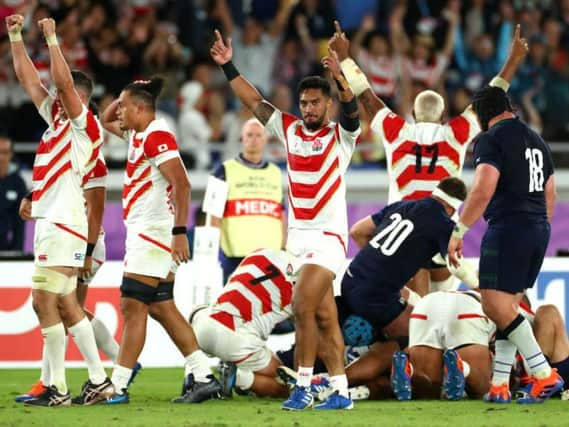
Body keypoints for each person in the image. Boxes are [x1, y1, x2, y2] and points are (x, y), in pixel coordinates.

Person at [210, 24, 360, 410]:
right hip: (298, 238)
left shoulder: (341, 136)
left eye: (315, 102)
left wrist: (341, 72)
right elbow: (253, 101)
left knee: (302, 307)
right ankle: (341, 391)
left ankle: (305, 385)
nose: (308, 108)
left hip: (328, 238)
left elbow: (354, 107)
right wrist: (229, 66)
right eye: (304, 102)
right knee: (325, 317)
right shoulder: (288, 128)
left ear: (327, 105)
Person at [330, 20, 526, 295]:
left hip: (403, 236)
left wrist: (346, 57)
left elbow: (366, 96)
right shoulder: (455, 134)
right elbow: (491, 97)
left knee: (415, 320)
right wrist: (513, 60)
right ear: (444, 117)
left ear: (412, 115)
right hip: (441, 238)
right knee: (440, 313)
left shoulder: (396, 131)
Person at [447, 26, 564, 405]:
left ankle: (543, 374)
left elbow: (482, 189)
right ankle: (499, 384)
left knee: (493, 304)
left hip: (509, 227)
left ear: (482, 119)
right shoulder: (537, 139)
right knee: (509, 309)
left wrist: (460, 230)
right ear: (509, 109)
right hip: (538, 229)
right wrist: (539, 226)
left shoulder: (490, 140)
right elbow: (551, 192)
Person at [7, 15, 113, 406]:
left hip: (64, 225)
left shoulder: (85, 126)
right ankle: (99, 380)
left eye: (62, 93)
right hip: (58, 221)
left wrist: (52, 39)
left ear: (80, 100)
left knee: (41, 301)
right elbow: (26, 80)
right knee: (67, 304)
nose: (52, 95)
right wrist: (15, 35)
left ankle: (58, 388)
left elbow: (63, 84)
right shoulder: (56, 122)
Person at [100, 77, 221, 404]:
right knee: (161, 307)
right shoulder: (138, 133)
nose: (119, 111)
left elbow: (181, 184)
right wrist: (129, 89)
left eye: (125, 106)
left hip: (154, 232)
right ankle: (204, 376)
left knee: (133, 305)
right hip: (149, 231)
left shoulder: (156, 134)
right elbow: (104, 119)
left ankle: (119, 385)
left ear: (141, 109)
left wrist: (179, 232)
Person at [14, 152, 140, 403]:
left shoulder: (89, 154)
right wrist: (31, 196)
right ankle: (105, 367)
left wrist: (89, 250)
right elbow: (53, 188)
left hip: (81, 241)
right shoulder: (67, 149)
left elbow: (96, 208)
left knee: (62, 307)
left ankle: (70, 380)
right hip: (69, 238)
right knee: (67, 308)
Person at [340, 177, 467, 349]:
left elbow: (357, 231)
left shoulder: (401, 205)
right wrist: (479, 288)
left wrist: (378, 264)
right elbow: (457, 265)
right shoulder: (444, 224)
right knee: (427, 334)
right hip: (375, 296)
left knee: (407, 297)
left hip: (349, 280)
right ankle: (369, 357)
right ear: (452, 208)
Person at [189, 248, 296, 398]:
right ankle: (241, 378)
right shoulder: (306, 283)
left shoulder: (261, 252)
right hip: (237, 339)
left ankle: (195, 374)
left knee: (203, 311)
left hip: (202, 324)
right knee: (289, 382)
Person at [210, 118, 285, 284]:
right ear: (242, 138)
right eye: (249, 135)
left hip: (269, 256)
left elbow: (281, 214)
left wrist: (283, 249)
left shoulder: (276, 173)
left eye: (258, 135)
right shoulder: (222, 170)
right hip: (234, 256)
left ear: (265, 139)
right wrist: (216, 250)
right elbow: (212, 215)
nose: (254, 139)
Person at [391, 290, 493, 401]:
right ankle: (463, 368)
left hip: (426, 305)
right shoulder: (506, 311)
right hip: (466, 307)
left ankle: (409, 370)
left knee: (429, 391)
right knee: (483, 389)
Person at [0, 133, 27, 251]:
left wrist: (17, 251)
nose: (1, 157)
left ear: (11, 154)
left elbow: (20, 221)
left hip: (8, 248)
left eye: (5, 152)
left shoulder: (18, 183)